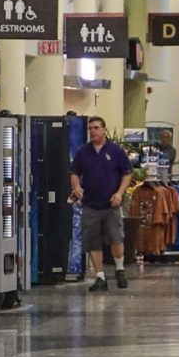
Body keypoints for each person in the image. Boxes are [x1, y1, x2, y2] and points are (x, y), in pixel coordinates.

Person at [69, 116, 133, 292]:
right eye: (90, 128)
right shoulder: (83, 152)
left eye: (96, 128)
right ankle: (100, 277)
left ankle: (120, 270)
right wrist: (76, 187)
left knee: (116, 237)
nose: (93, 131)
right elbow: (74, 172)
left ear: (104, 130)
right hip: (90, 203)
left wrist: (119, 193)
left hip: (111, 203)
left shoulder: (116, 151)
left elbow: (127, 173)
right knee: (92, 240)